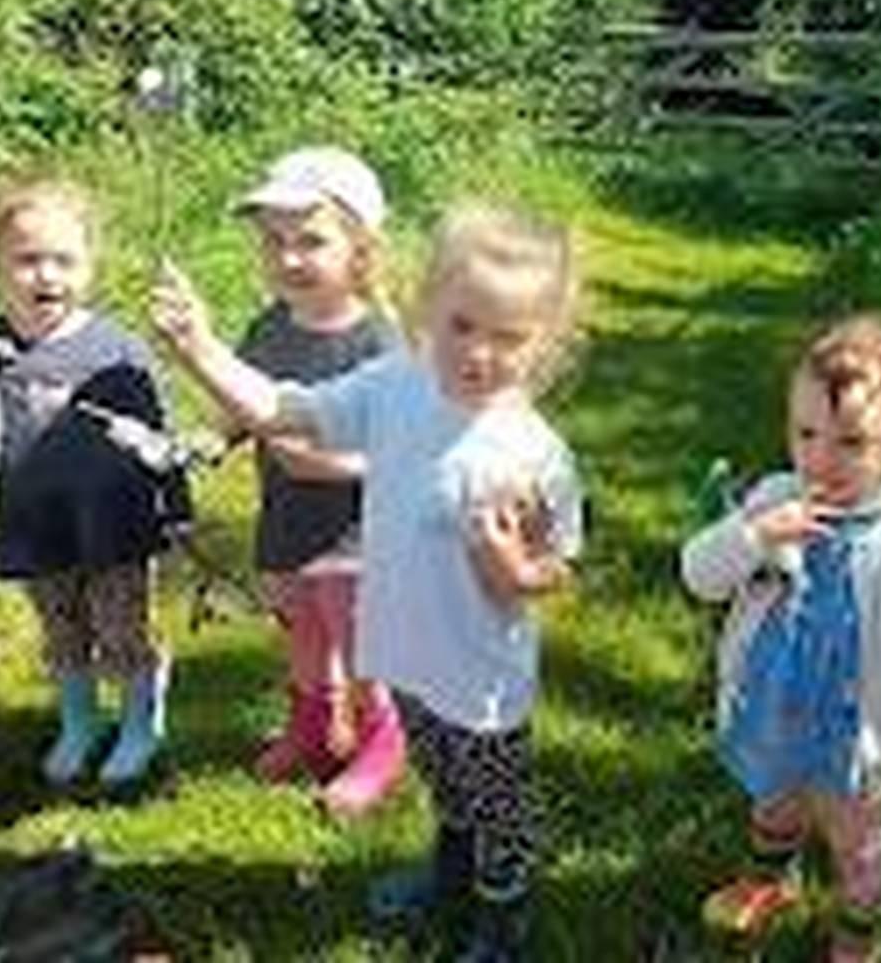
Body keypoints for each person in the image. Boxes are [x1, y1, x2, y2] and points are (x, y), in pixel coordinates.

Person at [153, 201, 583, 961]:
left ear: (545, 343)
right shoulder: (396, 384)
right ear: (426, 311)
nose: (478, 354)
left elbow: (558, 565)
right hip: (405, 652)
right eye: (461, 327)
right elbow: (288, 413)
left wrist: (517, 571)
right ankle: (451, 877)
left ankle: (503, 915)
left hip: (481, 676)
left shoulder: (535, 454)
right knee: (443, 781)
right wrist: (200, 348)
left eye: (508, 338)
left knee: (498, 804)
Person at [679, 314, 881, 963]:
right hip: (774, 707)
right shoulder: (773, 498)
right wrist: (755, 536)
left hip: (856, 739)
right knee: (773, 802)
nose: (821, 458)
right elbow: (699, 576)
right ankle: (769, 881)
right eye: (805, 433)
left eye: (851, 442)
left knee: (861, 849)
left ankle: (855, 937)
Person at [0, 176, 186, 791]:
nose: (46, 276)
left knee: (121, 625)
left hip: (114, 520)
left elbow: (159, 435)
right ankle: (79, 721)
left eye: (64, 260)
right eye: (28, 260)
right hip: (33, 518)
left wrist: (175, 508)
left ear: (89, 264)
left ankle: (141, 721)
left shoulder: (117, 349)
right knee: (61, 626)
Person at [227, 146, 406, 816]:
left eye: (310, 241)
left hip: (356, 532)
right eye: (273, 243)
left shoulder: (379, 343)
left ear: (360, 247)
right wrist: (209, 439)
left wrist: (329, 466)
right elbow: (243, 404)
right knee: (302, 629)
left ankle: (381, 739)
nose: (289, 259)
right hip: (285, 518)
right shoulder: (268, 328)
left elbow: (406, 452)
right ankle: (311, 725)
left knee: (359, 642)